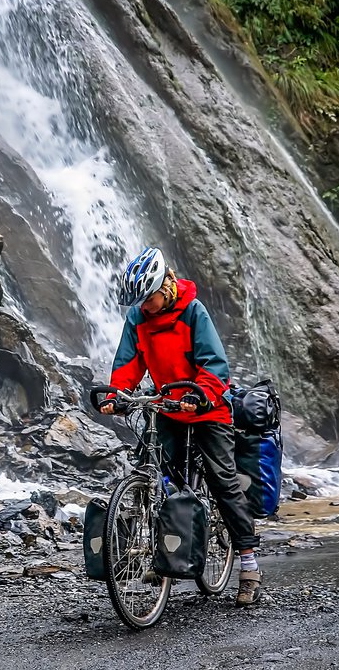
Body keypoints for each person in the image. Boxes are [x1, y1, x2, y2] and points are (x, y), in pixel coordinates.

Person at [98, 246, 262, 607]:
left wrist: (201, 393)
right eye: (139, 301)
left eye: (149, 298)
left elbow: (214, 364)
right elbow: (128, 363)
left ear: (166, 286)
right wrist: (116, 395)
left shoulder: (193, 311)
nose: (145, 306)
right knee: (152, 472)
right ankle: (166, 552)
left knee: (223, 482)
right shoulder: (138, 317)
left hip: (207, 408)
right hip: (167, 407)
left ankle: (249, 564)